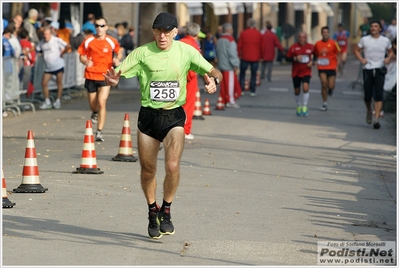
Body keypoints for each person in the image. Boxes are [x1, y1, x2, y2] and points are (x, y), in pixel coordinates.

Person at [103, 12, 222, 239]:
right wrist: (113, 79)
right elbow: (117, 73)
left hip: (173, 116)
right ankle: (152, 211)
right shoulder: (142, 53)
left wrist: (213, 80)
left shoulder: (186, 51)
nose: (162, 36)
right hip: (148, 116)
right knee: (148, 170)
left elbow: (214, 71)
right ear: (154, 32)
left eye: (167, 32)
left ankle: (166, 210)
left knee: (173, 165)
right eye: (158, 31)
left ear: (176, 33)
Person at [78, 16, 123, 141]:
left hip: (105, 76)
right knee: (93, 105)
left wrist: (117, 59)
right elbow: (81, 55)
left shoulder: (111, 41)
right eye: (97, 25)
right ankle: (95, 112)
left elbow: (119, 51)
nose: (99, 28)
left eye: (102, 26)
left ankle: (99, 131)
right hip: (91, 75)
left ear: (106, 27)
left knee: (102, 102)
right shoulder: (88, 40)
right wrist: (85, 61)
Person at [354, 20, 394, 129]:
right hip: (368, 68)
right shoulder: (365, 39)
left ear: (380, 29)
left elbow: (391, 52)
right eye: (372, 26)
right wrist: (361, 59)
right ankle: (369, 110)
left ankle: (376, 119)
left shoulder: (385, 40)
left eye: (376, 26)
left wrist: (388, 59)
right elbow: (356, 50)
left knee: (378, 94)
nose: (373, 28)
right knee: (367, 95)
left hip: (380, 68)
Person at [36, 27, 69, 110]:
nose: (46, 36)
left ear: (51, 34)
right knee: (44, 83)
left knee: (59, 83)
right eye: (44, 35)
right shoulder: (42, 42)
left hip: (58, 65)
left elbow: (67, 46)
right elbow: (37, 49)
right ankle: (47, 101)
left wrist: (63, 53)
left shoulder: (56, 40)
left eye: (47, 34)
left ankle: (58, 100)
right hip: (48, 67)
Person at [179, 22, 202, 139]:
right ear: (196, 33)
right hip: (189, 78)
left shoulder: (179, 43)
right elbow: (195, 63)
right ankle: (185, 130)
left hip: (176, 76)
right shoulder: (194, 45)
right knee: (188, 104)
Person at [286, 31, 314, 116]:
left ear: (306, 38)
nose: (302, 39)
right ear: (298, 38)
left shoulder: (311, 47)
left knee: (305, 88)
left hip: (306, 71)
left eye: (303, 37)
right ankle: (298, 105)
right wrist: (295, 58)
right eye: (300, 37)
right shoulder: (294, 47)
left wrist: (312, 62)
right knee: (297, 90)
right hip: (296, 72)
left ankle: (305, 106)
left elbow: (316, 55)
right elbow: (287, 58)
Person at [314, 26, 341, 111]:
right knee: (324, 83)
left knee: (331, 85)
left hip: (332, 67)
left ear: (329, 33)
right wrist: (315, 61)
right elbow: (315, 54)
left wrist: (337, 65)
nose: (325, 34)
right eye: (324, 32)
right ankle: (324, 103)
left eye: (327, 32)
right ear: (321, 33)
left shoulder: (334, 43)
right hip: (322, 67)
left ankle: (331, 89)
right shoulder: (317, 44)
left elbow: (338, 54)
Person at [216, 23, 242, 108]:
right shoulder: (230, 40)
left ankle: (223, 99)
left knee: (223, 85)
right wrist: (236, 65)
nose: (232, 31)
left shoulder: (220, 39)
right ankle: (230, 100)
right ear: (228, 30)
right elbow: (232, 53)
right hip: (229, 66)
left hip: (221, 65)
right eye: (231, 29)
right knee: (230, 84)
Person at [237, 18, 262, 97]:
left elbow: (239, 45)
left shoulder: (243, 33)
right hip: (255, 57)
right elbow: (262, 46)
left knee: (242, 73)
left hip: (245, 56)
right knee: (254, 74)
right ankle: (252, 90)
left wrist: (239, 54)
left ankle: (241, 89)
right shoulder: (258, 34)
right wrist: (261, 56)